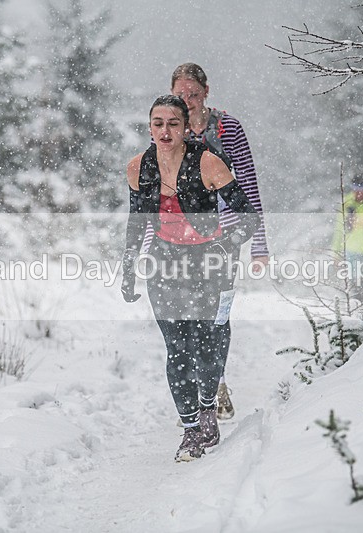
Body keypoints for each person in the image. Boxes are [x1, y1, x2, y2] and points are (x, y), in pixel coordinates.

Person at [121, 95, 260, 462]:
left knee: (207, 345)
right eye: (158, 124)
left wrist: (227, 244)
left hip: (207, 262)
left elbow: (248, 215)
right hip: (164, 262)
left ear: (185, 128)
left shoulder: (207, 162)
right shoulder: (138, 167)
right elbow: (136, 222)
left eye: (173, 124)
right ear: (150, 128)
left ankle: (208, 407)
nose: (165, 131)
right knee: (177, 348)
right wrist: (128, 268)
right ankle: (191, 430)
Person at [170, 62, 269, 421]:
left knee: (215, 314)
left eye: (194, 94)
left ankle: (216, 384)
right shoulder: (168, 129)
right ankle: (199, 388)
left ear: (206, 92)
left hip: (226, 233)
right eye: (180, 94)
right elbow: (157, 190)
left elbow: (249, 185)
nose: (188, 101)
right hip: (182, 236)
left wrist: (259, 244)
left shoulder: (229, 128)